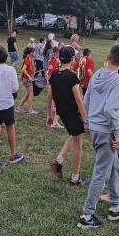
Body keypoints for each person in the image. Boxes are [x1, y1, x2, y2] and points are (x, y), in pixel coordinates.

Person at [77, 45, 119, 229]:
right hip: (106, 131)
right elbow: (110, 109)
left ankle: (116, 206)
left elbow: (86, 99)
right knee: (100, 174)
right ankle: (87, 216)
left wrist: (87, 121)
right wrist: (117, 134)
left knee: (114, 165)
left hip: (95, 128)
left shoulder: (96, 74)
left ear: (108, 56)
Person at [46, 46, 89, 185]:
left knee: (73, 135)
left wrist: (49, 115)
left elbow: (49, 96)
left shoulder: (53, 74)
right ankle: (75, 177)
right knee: (78, 145)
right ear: (72, 59)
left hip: (62, 113)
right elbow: (78, 99)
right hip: (72, 114)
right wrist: (85, 119)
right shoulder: (71, 76)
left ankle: (59, 160)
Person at [46, 47, 64, 129]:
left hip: (52, 80)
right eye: (58, 52)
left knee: (52, 99)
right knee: (57, 99)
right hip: (53, 81)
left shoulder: (54, 59)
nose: (59, 54)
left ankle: (51, 119)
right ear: (56, 52)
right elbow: (50, 70)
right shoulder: (54, 60)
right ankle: (53, 120)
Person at [16, 46, 37, 115]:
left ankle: (19, 107)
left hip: (27, 79)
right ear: (31, 53)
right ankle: (30, 110)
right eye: (34, 52)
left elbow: (30, 70)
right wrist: (29, 77)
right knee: (31, 94)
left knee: (28, 94)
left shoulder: (31, 59)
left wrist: (32, 76)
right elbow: (23, 69)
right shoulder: (28, 59)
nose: (35, 53)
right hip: (26, 79)